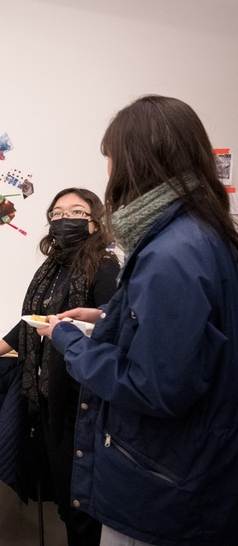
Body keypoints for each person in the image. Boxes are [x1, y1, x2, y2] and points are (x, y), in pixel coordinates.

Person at [39, 95, 238, 546]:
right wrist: (108, 313)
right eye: (57, 213)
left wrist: (70, 339)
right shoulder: (199, 234)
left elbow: (152, 384)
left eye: (110, 158)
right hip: (191, 463)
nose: (108, 170)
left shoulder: (171, 253)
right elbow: (182, 326)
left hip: (159, 478)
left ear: (134, 162)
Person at [0, 187, 120, 546]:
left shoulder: (105, 267)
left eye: (77, 212)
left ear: (94, 223)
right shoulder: (52, 267)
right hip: (50, 393)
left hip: (82, 399)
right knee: (66, 492)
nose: (66, 220)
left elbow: (116, 328)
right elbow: (31, 322)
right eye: (58, 214)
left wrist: (72, 331)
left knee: (81, 499)